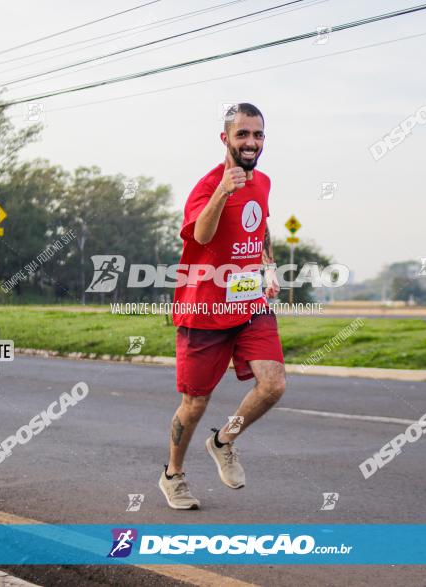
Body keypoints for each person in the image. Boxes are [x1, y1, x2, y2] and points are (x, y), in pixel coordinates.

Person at [158, 103, 285, 510]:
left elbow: (261, 226)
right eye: (243, 134)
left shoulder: (263, 182)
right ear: (226, 139)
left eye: (258, 135)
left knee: (273, 384)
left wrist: (269, 265)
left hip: (249, 304)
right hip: (205, 309)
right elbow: (201, 233)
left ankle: (223, 439)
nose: (251, 142)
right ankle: (172, 475)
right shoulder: (207, 186)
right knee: (194, 403)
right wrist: (222, 192)